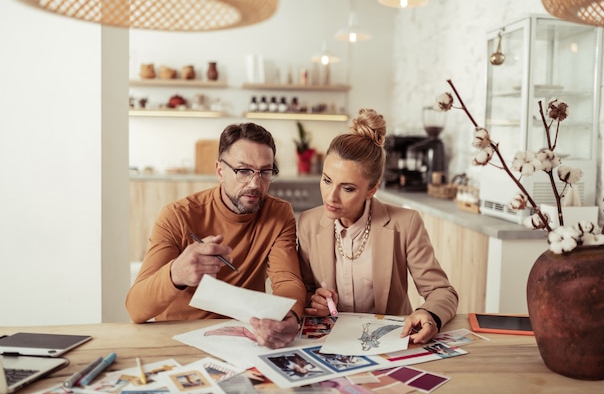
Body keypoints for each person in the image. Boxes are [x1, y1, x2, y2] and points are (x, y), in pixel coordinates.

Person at [126, 122, 306, 348]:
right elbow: (135, 308)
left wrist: (292, 316)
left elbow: (287, 280)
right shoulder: (177, 215)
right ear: (220, 171)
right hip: (180, 338)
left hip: (244, 338)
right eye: (243, 171)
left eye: (265, 172)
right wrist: (175, 274)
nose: (255, 183)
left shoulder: (278, 213)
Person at [297, 108, 459, 344]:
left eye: (348, 188)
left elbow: (442, 292)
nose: (331, 196)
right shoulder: (308, 223)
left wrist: (428, 314)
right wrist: (314, 301)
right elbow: (304, 289)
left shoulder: (406, 223)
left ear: (372, 189)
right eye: (327, 180)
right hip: (331, 344)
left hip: (390, 343)